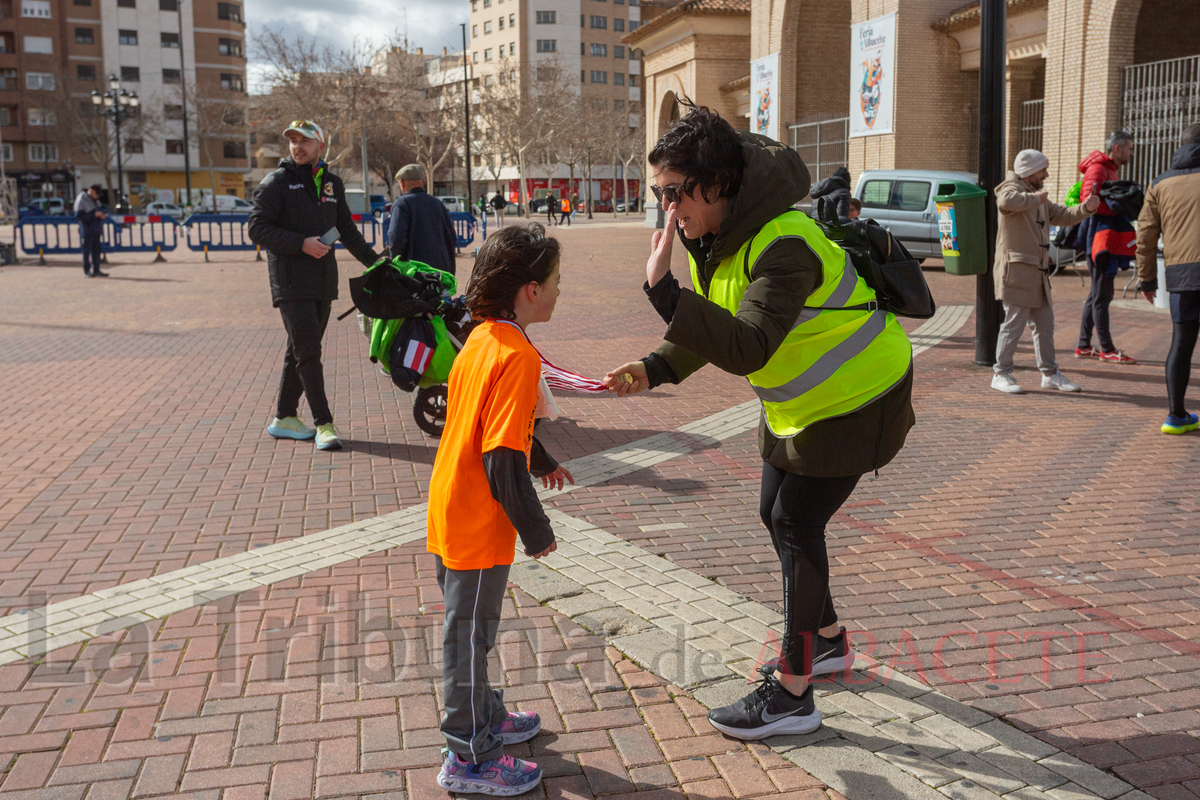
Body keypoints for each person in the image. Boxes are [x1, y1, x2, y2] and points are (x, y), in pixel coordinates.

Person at [604, 102, 914, 740]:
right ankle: (827, 642)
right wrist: (652, 368)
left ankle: (794, 691)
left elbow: (748, 345)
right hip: (804, 406)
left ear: (715, 186)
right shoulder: (720, 240)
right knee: (776, 514)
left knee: (797, 524)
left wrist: (664, 293)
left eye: (674, 193)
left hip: (859, 398)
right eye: (659, 193)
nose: (668, 209)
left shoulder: (785, 243)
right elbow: (721, 326)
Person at [428, 224, 573, 796]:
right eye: (557, 282)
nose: (561, 292)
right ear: (530, 290)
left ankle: (486, 718)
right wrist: (537, 531)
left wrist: (542, 460)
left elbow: (497, 431)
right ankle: (467, 754)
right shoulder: (515, 354)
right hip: (477, 522)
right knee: (468, 638)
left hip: (452, 508)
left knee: (472, 634)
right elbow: (500, 461)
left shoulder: (484, 337)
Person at [248, 119, 380, 452]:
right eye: (292, 141)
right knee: (309, 352)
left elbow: (345, 231)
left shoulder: (332, 183)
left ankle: (284, 418)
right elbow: (257, 229)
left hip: (323, 282)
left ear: (320, 145)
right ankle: (324, 423)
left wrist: (377, 264)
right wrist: (300, 243)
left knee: (299, 350)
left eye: (304, 140)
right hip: (291, 283)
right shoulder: (275, 183)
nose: (297, 146)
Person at [991, 150, 1099, 395]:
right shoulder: (1011, 188)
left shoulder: (1034, 195)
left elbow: (1061, 215)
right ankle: (1001, 373)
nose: (1046, 175)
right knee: (1013, 325)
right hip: (1017, 272)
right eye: (1043, 170)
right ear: (1030, 172)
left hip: (1038, 274)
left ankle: (1050, 374)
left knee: (1045, 325)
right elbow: (1005, 201)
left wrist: (1086, 208)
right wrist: (1036, 199)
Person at [1137, 123, 1200, 435]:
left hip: (1181, 276)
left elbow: (1146, 235)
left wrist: (1147, 279)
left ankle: (1175, 415)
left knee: (1182, 343)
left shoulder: (1160, 183)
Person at [1076, 130, 1137, 364]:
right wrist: (1120, 206)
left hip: (1107, 236)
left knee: (1097, 293)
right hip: (1100, 238)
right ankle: (1107, 349)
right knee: (1102, 295)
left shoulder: (1109, 169)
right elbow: (1088, 202)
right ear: (1117, 148)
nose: (1132, 152)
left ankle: (1083, 345)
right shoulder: (1099, 168)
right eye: (1130, 148)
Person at [387, 163, 457, 275]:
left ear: (402, 183)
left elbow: (396, 238)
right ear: (423, 182)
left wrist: (395, 266)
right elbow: (451, 237)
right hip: (441, 272)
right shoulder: (438, 204)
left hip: (415, 272)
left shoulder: (402, 204)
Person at [74, 184, 108, 278]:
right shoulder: (82, 200)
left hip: (96, 229)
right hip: (87, 230)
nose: (97, 196)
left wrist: (102, 215)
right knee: (87, 251)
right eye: (96, 194)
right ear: (92, 191)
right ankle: (87, 271)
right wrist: (94, 215)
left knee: (96, 251)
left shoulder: (96, 201)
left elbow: (101, 210)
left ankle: (97, 270)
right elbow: (79, 216)